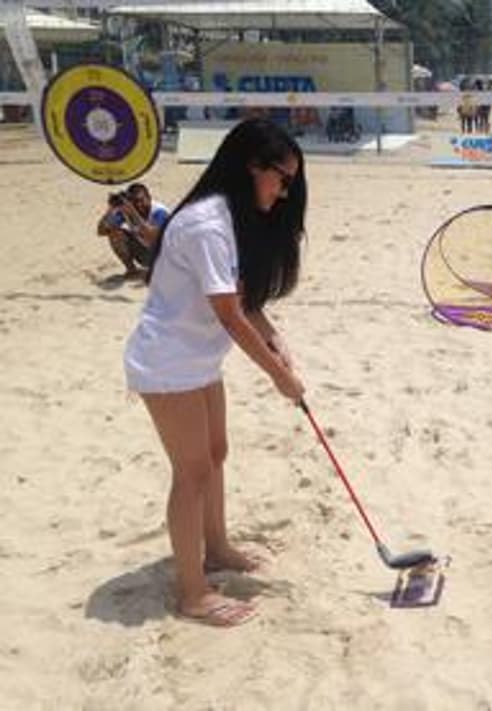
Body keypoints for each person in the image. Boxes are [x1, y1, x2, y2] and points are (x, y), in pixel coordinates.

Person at [124, 118, 307, 627]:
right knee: (193, 471)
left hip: (198, 357)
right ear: (253, 166)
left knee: (215, 453)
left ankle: (217, 546)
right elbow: (227, 313)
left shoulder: (230, 217)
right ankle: (192, 592)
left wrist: (277, 341)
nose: (286, 191)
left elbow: (244, 304)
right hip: (167, 361)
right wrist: (278, 377)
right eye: (282, 179)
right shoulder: (207, 224)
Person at [96, 183, 170, 278]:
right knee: (115, 233)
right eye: (135, 201)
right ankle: (132, 270)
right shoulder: (128, 211)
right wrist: (111, 209)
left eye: (141, 200)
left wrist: (133, 212)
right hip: (146, 254)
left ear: (149, 198)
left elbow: (153, 236)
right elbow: (101, 231)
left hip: (164, 257)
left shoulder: (159, 212)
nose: (139, 205)